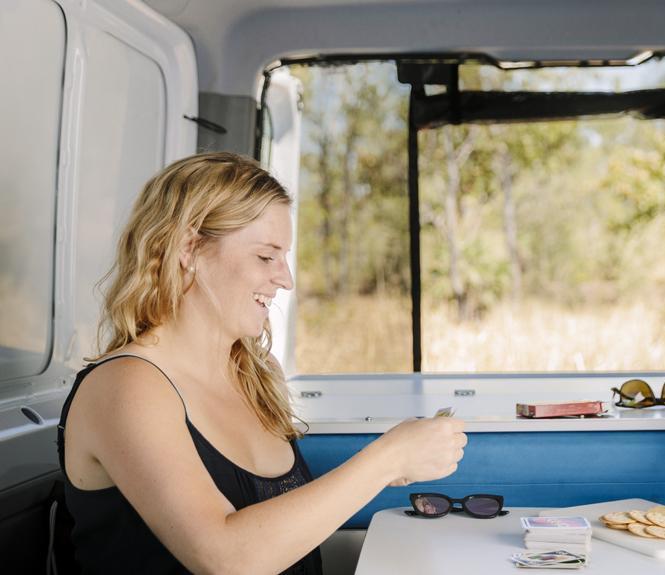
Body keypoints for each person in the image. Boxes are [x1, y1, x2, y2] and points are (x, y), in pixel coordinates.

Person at [56, 152, 466, 574]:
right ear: (189, 249)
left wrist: (393, 469)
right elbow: (226, 558)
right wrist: (387, 459)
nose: (285, 279)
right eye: (266, 257)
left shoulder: (256, 372)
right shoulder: (126, 385)